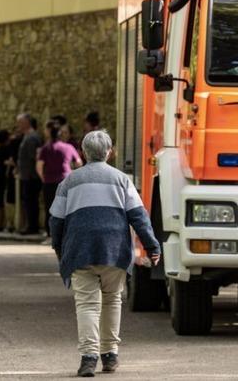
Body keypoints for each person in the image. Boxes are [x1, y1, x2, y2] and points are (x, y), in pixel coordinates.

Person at [49, 130, 161, 377]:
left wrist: (59, 247)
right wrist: (152, 246)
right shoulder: (122, 180)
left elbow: (56, 220)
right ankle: (109, 355)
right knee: (112, 300)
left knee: (87, 304)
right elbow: (139, 216)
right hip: (115, 250)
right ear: (110, 153)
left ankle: (88, 359)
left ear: (83, 152)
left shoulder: (69, 182)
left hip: (80, 250)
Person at [37, 121, 82, 234]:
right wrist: (72, 172)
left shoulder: (45, 148)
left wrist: (43, 178)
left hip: (49, 181)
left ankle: (50, 233)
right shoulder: (68, 147)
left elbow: (39, 166)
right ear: (60, 134)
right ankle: (65, 232)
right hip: (65, 180)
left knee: (50, 207)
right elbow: (79, 163)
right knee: (66, 208)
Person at [16, 113, 43, 235]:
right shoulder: (27, 137)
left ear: (27, 122)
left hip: (31, 176)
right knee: (28, 201)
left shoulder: (32, 138)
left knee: (31, 201)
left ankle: (32, 226)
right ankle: (30, 225)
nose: (18, 125)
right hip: (27, 175)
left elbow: (34, 157)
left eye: (20, 122)